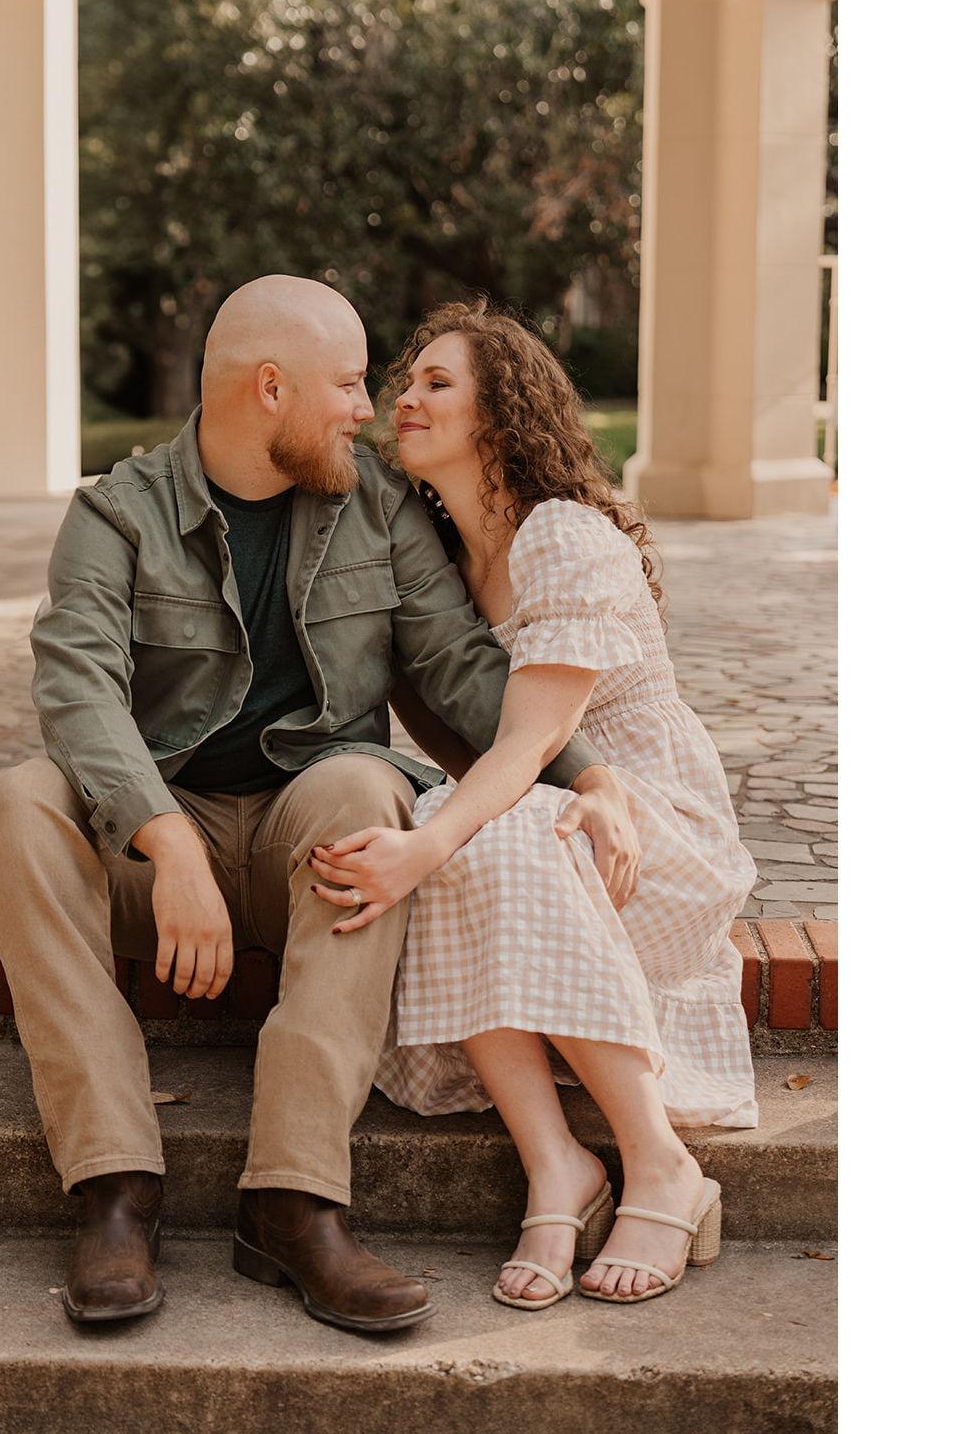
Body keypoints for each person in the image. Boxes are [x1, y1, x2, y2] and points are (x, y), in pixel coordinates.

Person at [0, 275, 639, 1332]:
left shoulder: (375, 505)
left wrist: (588, 774)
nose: (368, 409)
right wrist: (169, 846)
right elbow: (76, 688)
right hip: (157, 855)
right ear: (271, 389)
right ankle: (113, 1188)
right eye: (347, 384)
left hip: (310, 844)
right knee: (21, 800)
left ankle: (294, 1202)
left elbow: (463, 669)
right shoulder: (116, 513)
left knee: (362, 780)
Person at [305, 298, 758, 1309]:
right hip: (541, 807)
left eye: (438, 382)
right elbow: (464, 737)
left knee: (465, 837)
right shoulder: (436, 556)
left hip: (645, 814)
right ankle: (558, 1166)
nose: (404, 398)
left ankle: (660, 1163)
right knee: (471, 833)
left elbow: (529, 740)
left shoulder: (561, 534)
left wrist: (429, 845)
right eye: (406, 380)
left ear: (501, 414)